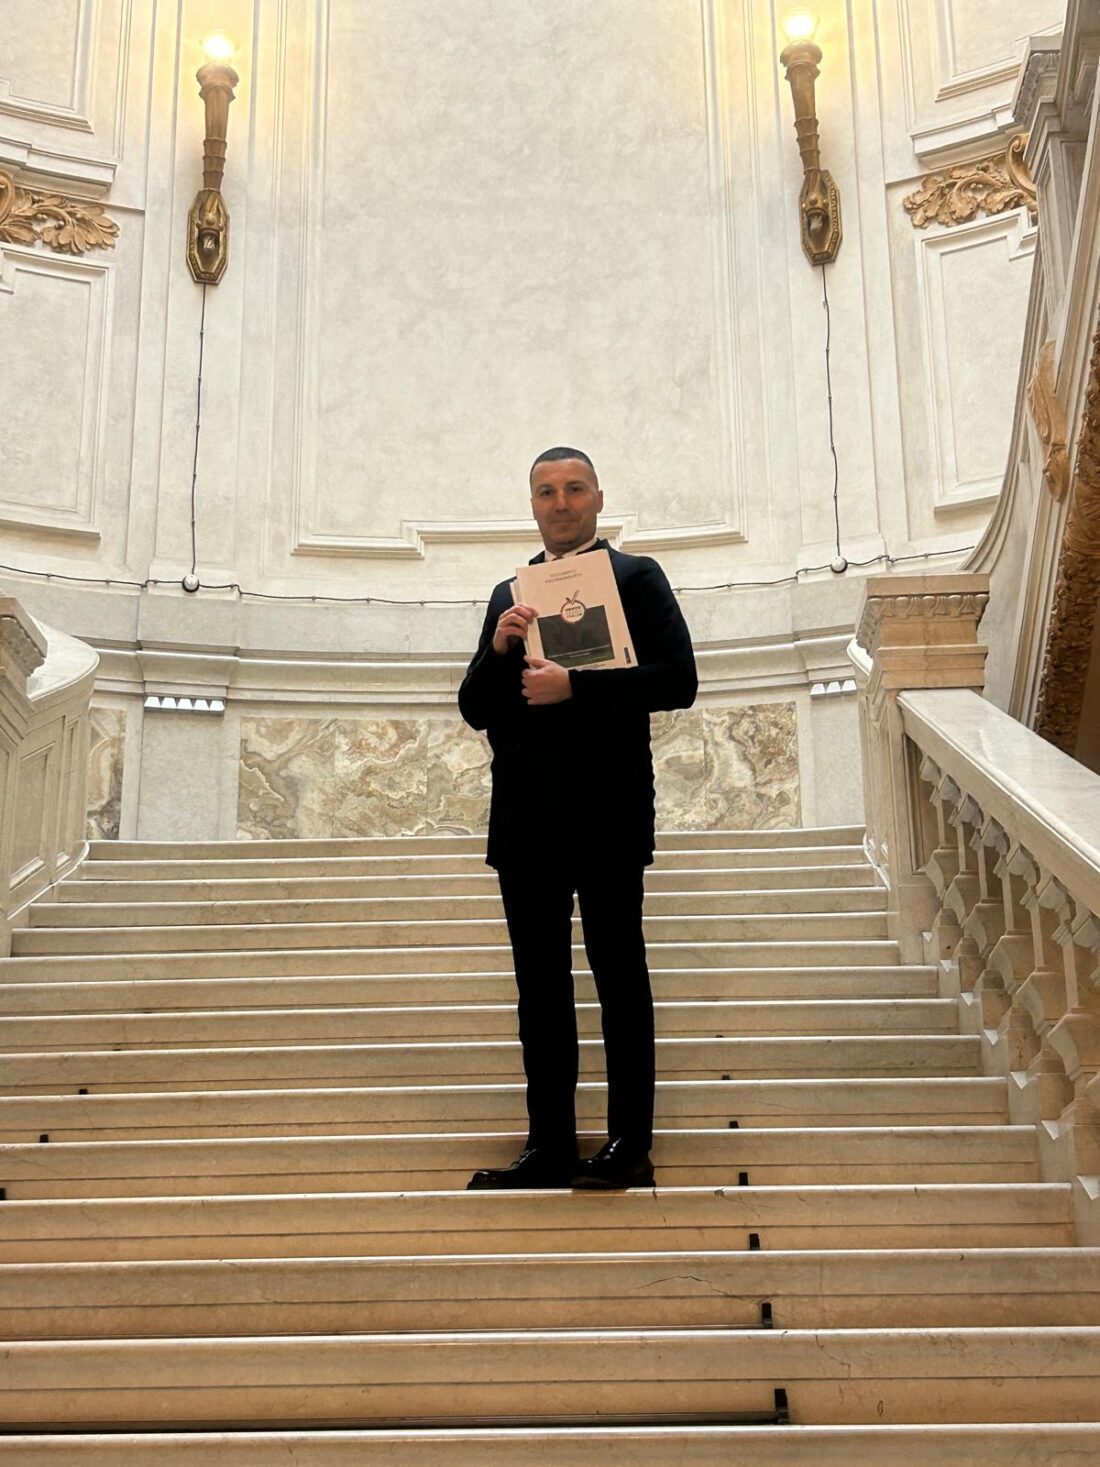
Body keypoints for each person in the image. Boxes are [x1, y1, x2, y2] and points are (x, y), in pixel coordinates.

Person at [458, 447, 698, 1190]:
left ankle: (630, 1145)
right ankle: (550, 1146)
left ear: (597, 497)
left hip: (607, 810)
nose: (559, 503)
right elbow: (475, 708)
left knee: (619, 977)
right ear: (532, 504)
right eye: (545, 491)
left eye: (573, 488)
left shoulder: (637, 576)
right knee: (539, 988)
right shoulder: (509, 593)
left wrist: (577, 689)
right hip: (525, 816)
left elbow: (679, 680)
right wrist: (499, 648)